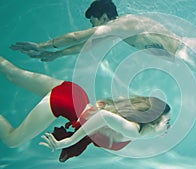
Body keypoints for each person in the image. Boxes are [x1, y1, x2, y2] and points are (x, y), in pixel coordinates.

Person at [11, 0, 196, 117]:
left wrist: (42, 44)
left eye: (93, 21)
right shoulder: (119, 31)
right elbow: (84, 46)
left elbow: (78, 38)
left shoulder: (120, 24)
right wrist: (51, 54)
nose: (92, 26)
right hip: (194, 48)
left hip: (190, 53)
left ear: (102, 16)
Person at [0, 56, 171, 162]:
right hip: (65, 104)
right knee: (12, 140)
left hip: (76, 93)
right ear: (154, 120)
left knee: (13, 74)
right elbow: (103, 115)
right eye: (167, 121)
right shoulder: (134, 131)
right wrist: (70, 141)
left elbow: (104, 112)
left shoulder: (133, 121)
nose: (169, 126)